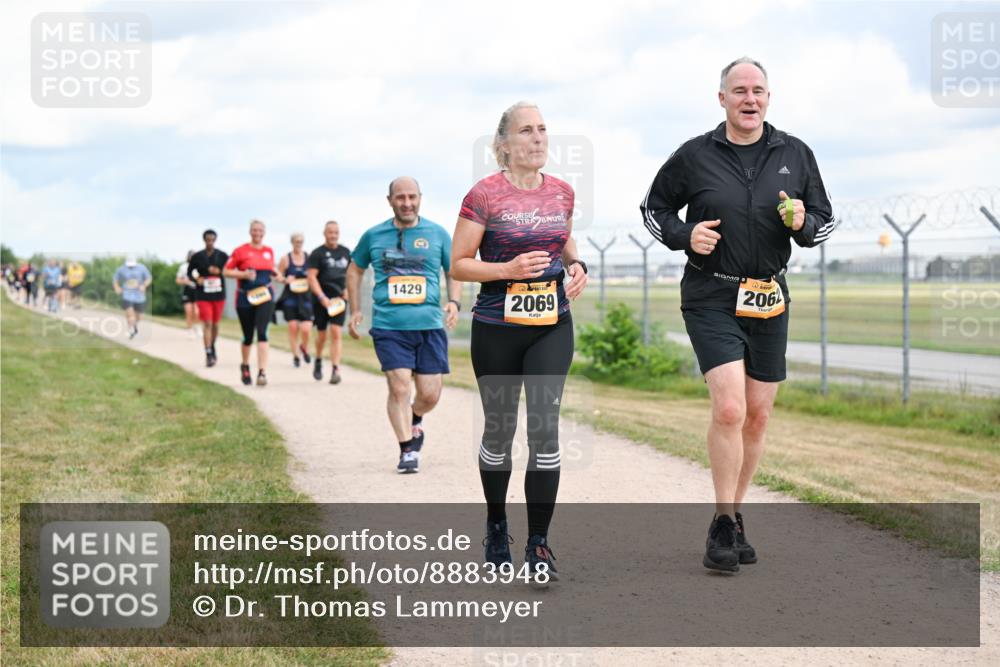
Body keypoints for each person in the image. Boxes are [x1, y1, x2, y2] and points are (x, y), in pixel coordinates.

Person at [641, 57, 835, 573]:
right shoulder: (695, 155)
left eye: (759, 90)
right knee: (729, 409)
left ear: (769, 97)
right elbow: (653, 207)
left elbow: (824, 218)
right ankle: (723, 522)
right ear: (721, 98)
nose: (750, 99)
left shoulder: (794, 152)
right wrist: (685, 235)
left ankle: (736, 511)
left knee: (758, 414)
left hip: (770, 296)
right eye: (739, 90)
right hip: (711, 294)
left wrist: (804, 222)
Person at [452, 101, 588, 582]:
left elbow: (563, 240)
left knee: (545, 431)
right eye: (526, 131)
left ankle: (539, 544)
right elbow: (459, 263)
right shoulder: (484, 195)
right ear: (504, 145)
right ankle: (495, 524)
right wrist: (506, 270)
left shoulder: (563, 193)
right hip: (497, 328)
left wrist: (577, 266)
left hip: (552, 322)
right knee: (499, 433)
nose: (538, 138)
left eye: (543, 129)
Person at [347, 177, 461, 474]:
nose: (407, 203)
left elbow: (453, 270)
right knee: (399, 387)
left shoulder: (437, 234)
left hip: (429, 326)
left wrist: (454, 302)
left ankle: (415, 417)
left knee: (429, 394)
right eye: (400, 198)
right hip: (389, 326)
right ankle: (407, 449)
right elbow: (354, 269)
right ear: (390, 200)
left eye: (412, 197)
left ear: (420, 198)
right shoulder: (373, 235)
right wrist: (356, 309)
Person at [224, 220, 279, 386]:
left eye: (260, 230)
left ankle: (262, 372)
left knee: (262, 332)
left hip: (265, 296)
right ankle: (245, 365)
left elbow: (272, 272)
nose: (257, 233)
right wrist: (243, 275)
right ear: (250, 232)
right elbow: (226, 271)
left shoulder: (269, 251)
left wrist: (281, 277)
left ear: (264, 232)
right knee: (248, 336)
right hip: (245, 297)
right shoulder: (240, 251)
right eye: (254, 230)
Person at [307, 221, 351, 383]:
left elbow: (351, 274)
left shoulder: (346, 252)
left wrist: (348, 290)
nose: (333, 235)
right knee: (322, 335)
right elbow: (311, 277)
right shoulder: (317, 254)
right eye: (330, 232)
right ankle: (318, 359)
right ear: (324, 233)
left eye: (336, 233)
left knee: (336, 332)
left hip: (340, 299)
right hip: (322, 299)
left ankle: (335, 369)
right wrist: (322, 298)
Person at [188, 229, 229, 367]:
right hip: (203, 294)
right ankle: (208, 353)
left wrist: (220, 271)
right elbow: (189, 273)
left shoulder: (222, 256)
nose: (210, 242)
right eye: (208, 239)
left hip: (218, 294)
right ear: (204, 240)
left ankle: (212, 345)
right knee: (207, 323)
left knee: (215, 324)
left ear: (215, 240)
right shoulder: (197, 256)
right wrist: (196, 279)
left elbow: (230, 270)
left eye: (212, 239)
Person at [277, 232, 314, 368]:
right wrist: (285, 279)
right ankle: (296, 356)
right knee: (292, 327)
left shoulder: (308, 258)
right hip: (290, 297)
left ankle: (304, 347)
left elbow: (315, 275)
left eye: (301, 242)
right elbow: (278, 275)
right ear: (292, 242)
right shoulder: (286, 259)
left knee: (306, 329)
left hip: (305, 297)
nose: (298, 244)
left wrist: (310, 280)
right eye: (296, 241)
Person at [113, 256, 152, 339]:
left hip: (139, 295)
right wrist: (117, 288)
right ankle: (130, 329)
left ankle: (134, 326)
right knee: (130, 314)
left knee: (139, 316)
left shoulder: (142, 268)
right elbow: (115, 279)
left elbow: (149, 278)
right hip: (127, 294)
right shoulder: (121, 269)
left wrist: (144, 285)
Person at [176, 250, 200, 338]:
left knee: (197, 312)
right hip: (187, 291)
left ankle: (196, 327)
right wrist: (185, 281)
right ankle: (189, 330)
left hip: (197, 291)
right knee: (189, 311)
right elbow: (178, 280)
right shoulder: (183, 267)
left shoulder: (199, 267)